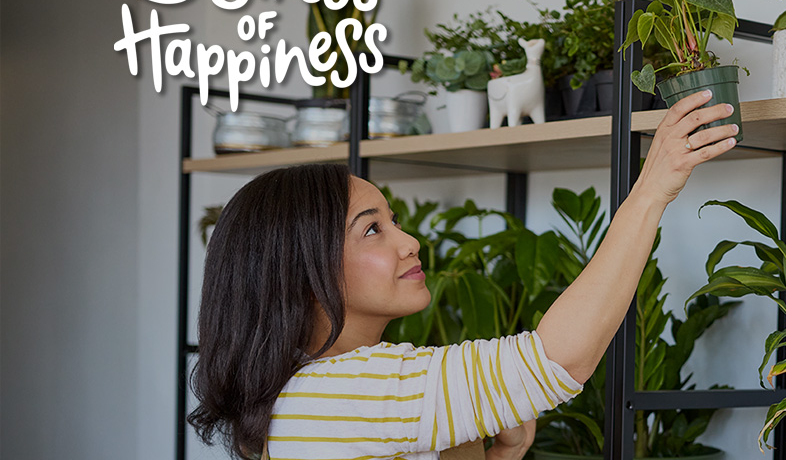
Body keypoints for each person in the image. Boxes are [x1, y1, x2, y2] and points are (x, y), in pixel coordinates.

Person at [189, 91, 739, 460]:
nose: (410, 242)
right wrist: (653, 188)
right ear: (302, 274)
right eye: (372, 231)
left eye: (394, 220)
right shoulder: (347, 389)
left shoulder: (308, 388)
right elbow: (558, 359)